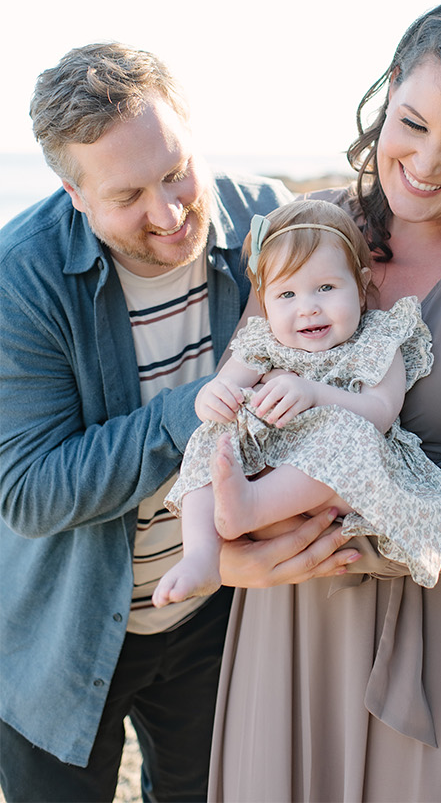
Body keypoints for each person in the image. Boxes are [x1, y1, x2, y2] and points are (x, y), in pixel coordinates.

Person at [209, 0, 441, 802]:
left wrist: (287, 520)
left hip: (438, 629)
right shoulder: (312, 228)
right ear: (388, 90)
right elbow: (239, 411)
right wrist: (228, 550)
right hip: (293, 616)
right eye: (413, 124)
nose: (425, 162)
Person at [0, 42, 353, 801]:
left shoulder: (268, 223)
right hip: (60, 634)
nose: (168, 213)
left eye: (176, 171)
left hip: (217, 616)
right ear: (73, 194)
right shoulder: (18, 279)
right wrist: (187, 410)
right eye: (128, 195)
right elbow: (28, 492)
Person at [154, 200, 441, 608]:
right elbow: (222, 385)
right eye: (287, 293)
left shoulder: (379, 340)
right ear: (264, 301)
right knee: (214, 435)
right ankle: (201, 555)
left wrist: (313, 393)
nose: (308, 307)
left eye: (326, 288)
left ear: (361, 286)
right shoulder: (262, 343)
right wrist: (211, 398)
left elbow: (381, 412)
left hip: (343, 476)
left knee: (348, 431)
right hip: (267, 459)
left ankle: (253, 506)